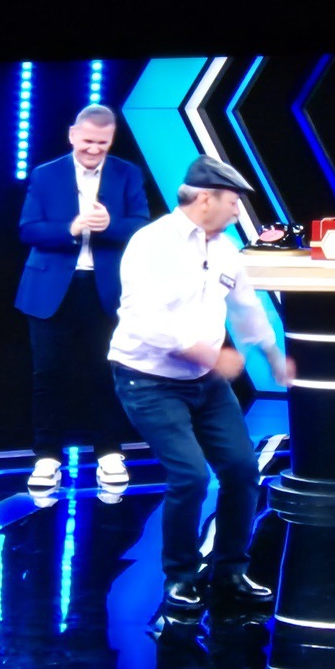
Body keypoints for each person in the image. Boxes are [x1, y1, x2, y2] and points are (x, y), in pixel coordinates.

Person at [108, 155, 296, 613]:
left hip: (205, 383)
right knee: (190, 476)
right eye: (233, 201)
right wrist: (209, 354)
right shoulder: (151, 244)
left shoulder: (226, 249)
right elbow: (145, 321)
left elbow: (247, 308)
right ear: (206, 198)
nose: (238, 210)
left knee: (242, 471)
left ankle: (230, 571)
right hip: (148, 380)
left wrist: (273, 356)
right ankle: (180, 577)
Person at [14, 103, 150, 498]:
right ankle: (46, 457)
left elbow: (142, 226)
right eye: (88, 141)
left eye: (102, 143)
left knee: (107, 371)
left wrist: (111, 225)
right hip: (50, 289)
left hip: (106, 289)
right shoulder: (46, 174)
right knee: (48, 374)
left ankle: (109, 452)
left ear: (111, 140)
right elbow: (28, 229)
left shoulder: (127, 173)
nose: (93, 149)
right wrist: (71, 227)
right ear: (73, 134)